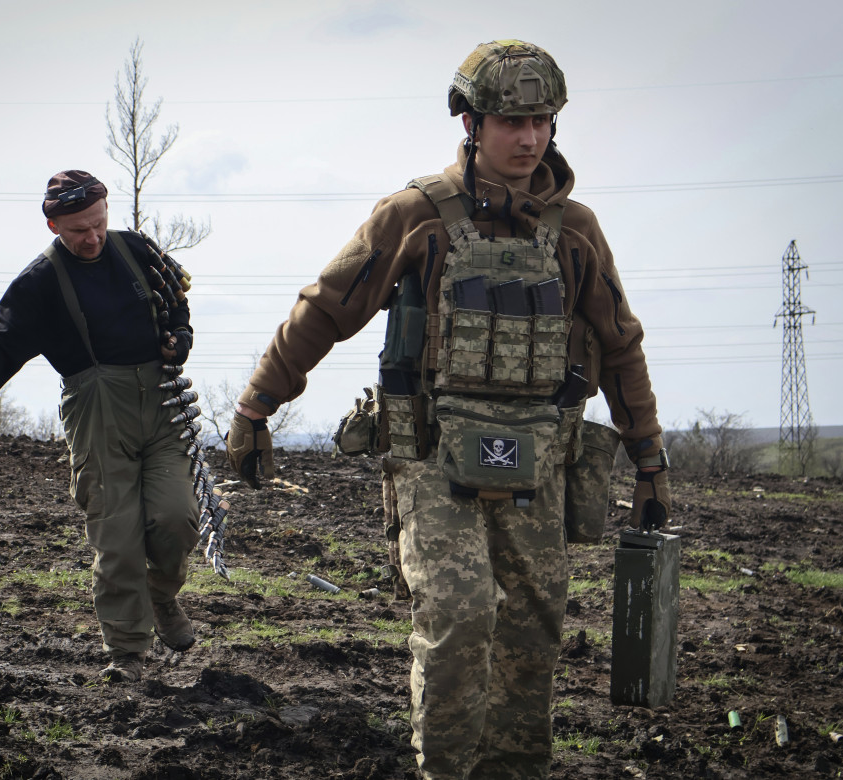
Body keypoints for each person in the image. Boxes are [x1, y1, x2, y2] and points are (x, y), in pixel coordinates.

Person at [226, 41, 671, 779]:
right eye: (511, 121)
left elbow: (620, 347)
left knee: (533, 629)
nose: (529, 139)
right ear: (470, 121)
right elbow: (325, 309)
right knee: (461, 617)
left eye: (542, 121)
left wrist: (650, 461)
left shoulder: (576, 231)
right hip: (434, 458)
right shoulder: (416, 216)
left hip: (542, 461)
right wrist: (257, 404)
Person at [0, 170, 202, 684]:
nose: (93, 237)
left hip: (163, 405)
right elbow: (2, 345)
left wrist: (180, 337)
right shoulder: (39, 283)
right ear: (54, 225)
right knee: (117, 536)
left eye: (99, 223)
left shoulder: (139, 252)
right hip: (98, 413)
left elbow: (176, 304)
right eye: (79, 229)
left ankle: (160, 597)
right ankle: (129, 654)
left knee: (177, 519)